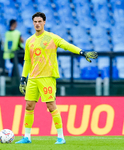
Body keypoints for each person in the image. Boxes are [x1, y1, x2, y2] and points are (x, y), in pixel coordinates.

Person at [15, 12, 98, 144]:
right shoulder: (29, 41)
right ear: (33, 23)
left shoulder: (51, 38)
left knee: (51, 105)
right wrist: (23, 78)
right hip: (33, 79)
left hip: (47, 77)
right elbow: (27, 61)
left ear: (44, 22)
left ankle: (61, 137)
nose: (37, 24)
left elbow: (66, 45)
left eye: (39, 21)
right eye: (35, 22)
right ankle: (27, 137)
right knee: (29, 106)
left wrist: (82, 52)